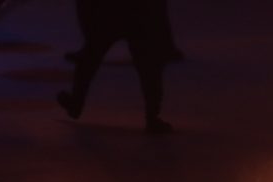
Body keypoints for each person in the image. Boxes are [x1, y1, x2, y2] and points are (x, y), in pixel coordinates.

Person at [57, 0, 181, 133]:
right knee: (147, 64)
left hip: (109, 11)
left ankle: (76, 103)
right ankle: (152, 117)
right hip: (137, 12)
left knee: (92, 54)